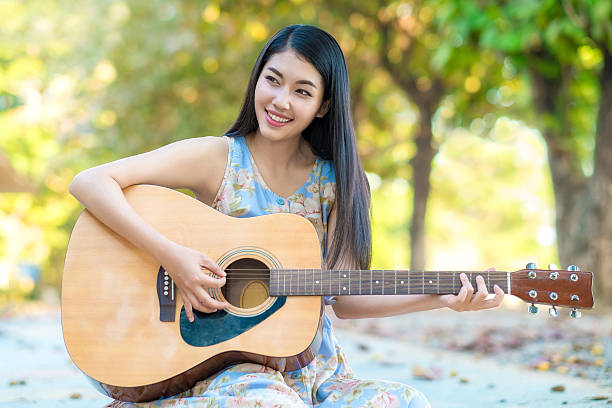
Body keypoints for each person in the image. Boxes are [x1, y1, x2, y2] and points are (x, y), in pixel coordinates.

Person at [70, 24, 504, 408]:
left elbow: (347, 299)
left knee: (406, 402)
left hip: (311, 372)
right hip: (222, 371)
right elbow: (90, 182)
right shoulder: (217, 158)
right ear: (257, 79)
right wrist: (173, 257)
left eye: (302, 91)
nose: (280, 101)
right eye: (272, 81)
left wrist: (442, 297)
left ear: (324, 106)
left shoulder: (337, 182)